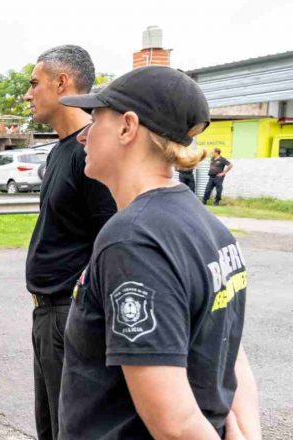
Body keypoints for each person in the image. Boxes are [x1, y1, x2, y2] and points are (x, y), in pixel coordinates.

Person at [58, 65, 261, 439]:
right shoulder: (208, 225)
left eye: (96, 118)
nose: (84, 136)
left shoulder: (133, 240)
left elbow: (173, 424)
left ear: (127, 127)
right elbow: (232, 351)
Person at [22, 45, 117, 440]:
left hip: (68, 313)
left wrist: (82, 309)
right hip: (47, 314)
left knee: (71, 430)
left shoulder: (89, 151)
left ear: (62, 82)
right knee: (50, 426)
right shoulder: (63, 149)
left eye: (33, 83)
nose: (27, 94)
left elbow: (110, 238)